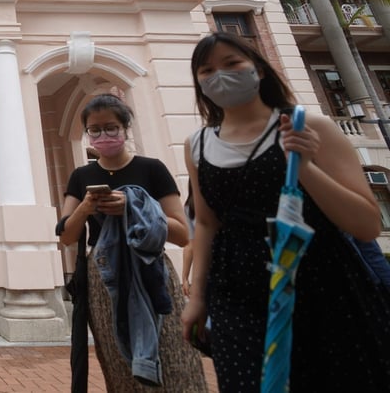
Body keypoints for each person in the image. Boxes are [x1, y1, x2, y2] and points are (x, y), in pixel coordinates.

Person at [181, 31, 390, 391]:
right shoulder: (198, 144)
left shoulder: (309, 126)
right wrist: (198, 298)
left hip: (319, 283)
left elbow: (367, 224)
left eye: (232, 64)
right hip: (237, 291)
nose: (220, 75)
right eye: (207, 70)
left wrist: (304, 166)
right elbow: (207, 224)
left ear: (259, 70)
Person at [58, 93, 205, 392]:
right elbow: (66, 235)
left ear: (125, 128)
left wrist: (135, 207)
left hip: (152, 272)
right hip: (104, 278)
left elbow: (181, 232)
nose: (103, 135)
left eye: (111, 127)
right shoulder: (82, 175)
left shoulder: (152, 169)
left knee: (175, 358)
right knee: (119, 362)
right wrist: (86, 207)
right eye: (95, 129)